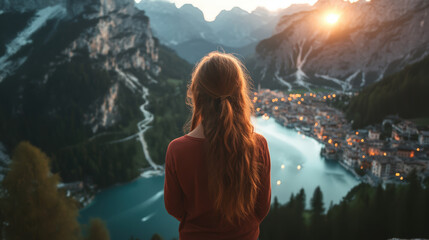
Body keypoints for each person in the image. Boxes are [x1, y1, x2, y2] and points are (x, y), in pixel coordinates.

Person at [164, 51, 271, 240]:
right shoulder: (258, 144)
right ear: (240, 94)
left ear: (196, 93)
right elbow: (262, 208)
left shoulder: (177, 149)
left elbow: (174, 208)